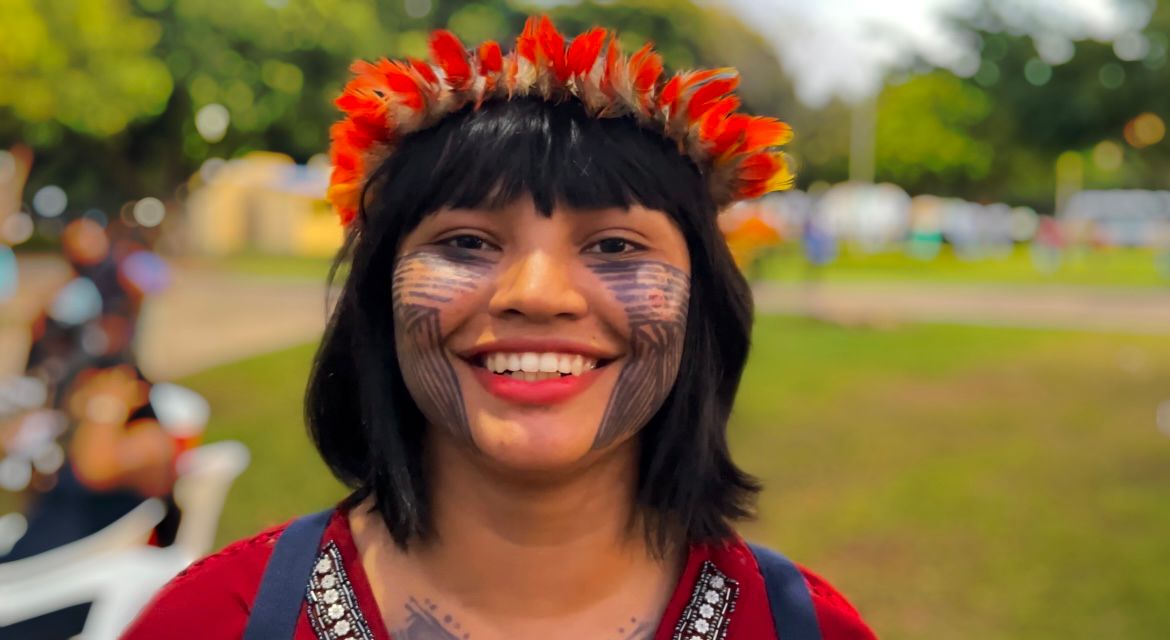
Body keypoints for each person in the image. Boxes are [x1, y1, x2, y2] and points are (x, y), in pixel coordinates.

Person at [126, 17, 877, 639]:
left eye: (615, 245)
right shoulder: (209, 621)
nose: (537, 294)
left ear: (703, 306)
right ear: (378, 297)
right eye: (466, 243)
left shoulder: (801, 627)